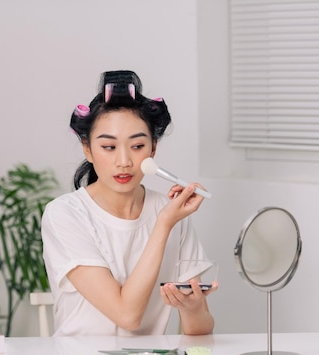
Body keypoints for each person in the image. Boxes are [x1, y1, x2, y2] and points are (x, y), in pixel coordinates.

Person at [41, 70, 217, 336]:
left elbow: (201, 333)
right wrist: (164, 224)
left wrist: (192, 309)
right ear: (87, 149)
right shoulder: (65, 215)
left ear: (153, 148)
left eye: (137, 146)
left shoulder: (170, 212)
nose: (124, 161)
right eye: (109, 147)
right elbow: (127, 316)